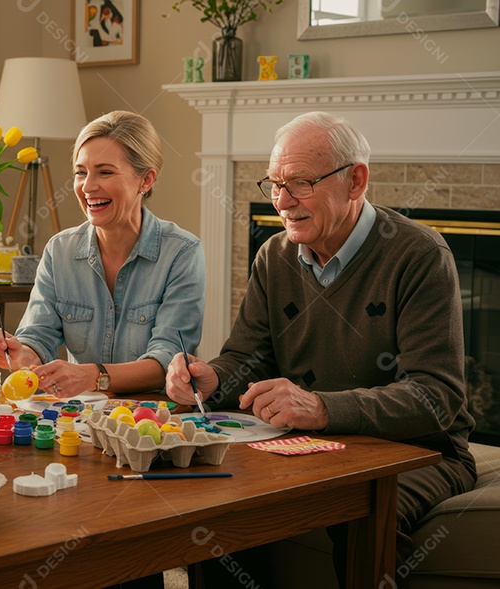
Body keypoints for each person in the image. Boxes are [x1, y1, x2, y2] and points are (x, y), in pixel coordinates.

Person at [165, 111, 477, 587]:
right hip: (307, 445)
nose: (282, 201)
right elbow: (247, 357)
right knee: (222, 499)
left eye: (301, 183)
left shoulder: (419, 255)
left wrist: (322, 407)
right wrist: (213, 377)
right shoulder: (274, 256)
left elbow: (436, 396)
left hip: (420, 450)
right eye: (275, 184)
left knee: (362, 512)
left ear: (356, 181)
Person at [0, 110, 205, 398]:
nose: (87, 186)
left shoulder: (182, 253)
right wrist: (17, 353)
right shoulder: (59, 251)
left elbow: (168, 360)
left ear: (146, 180)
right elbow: (37, 337)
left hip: (155, 414)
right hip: (79, 416)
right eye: (81, 172)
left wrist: (93, 376)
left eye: (105, 172)